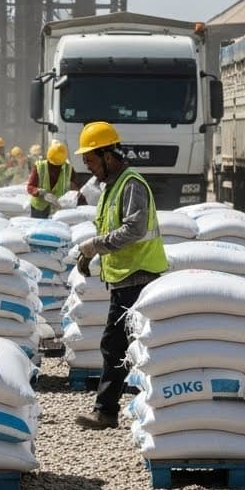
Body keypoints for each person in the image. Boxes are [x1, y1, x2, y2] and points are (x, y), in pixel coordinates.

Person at [71, 121, 168, 430]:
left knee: (115, 344)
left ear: (107, 155)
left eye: (90, 159)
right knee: (127, 344)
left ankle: (107, 411)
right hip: (125, 277)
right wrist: (92, 252)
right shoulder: (112, 187)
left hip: (138, 276)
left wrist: (94, 246)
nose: (88, 166)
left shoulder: (131, 184)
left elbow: (134, 229)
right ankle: (132, 406)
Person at [26, 141, 84, 218]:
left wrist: (74, 196)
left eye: (58, 166)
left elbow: (76, 187)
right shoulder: (40, 167)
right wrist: (42, 193)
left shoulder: (68, 169)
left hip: (58, 209)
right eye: (52, 165)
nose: (55, 168)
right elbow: (30, 187)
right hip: (39, 209)